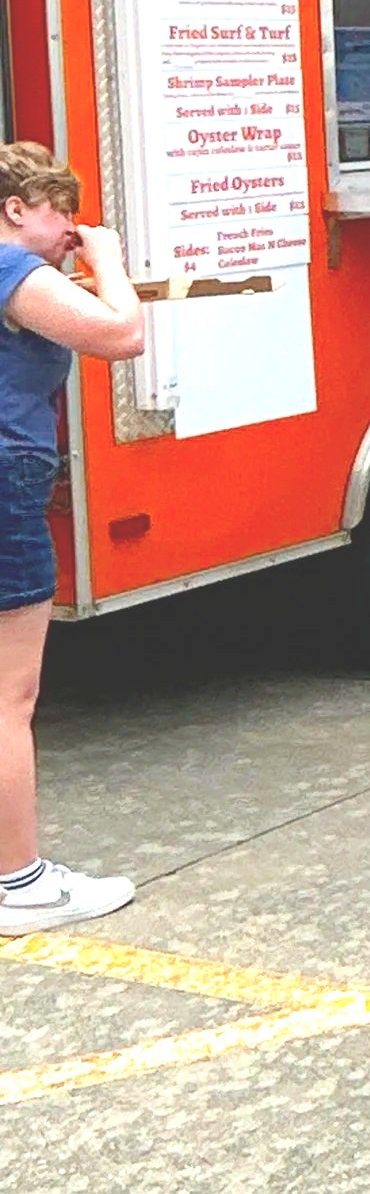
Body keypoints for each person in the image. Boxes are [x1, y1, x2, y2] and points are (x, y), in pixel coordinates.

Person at [0, 149, 144, 934]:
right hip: (5, 479)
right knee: (9, 696)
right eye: (60, 214)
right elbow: (121, 334)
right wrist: (112, 260)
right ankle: (19, 880)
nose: (72, 234)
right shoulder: (12, 272)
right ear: (17, 207)